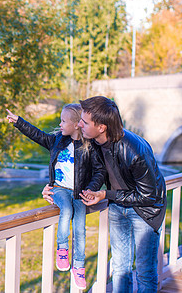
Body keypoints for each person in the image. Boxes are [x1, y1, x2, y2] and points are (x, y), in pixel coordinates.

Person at [44, 96, 166, 292]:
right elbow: (76, 169)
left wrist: (105, 195)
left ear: (101, 127)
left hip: (145, 211)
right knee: (120, 268)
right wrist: (52, 186)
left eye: (84, 122)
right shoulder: (93, 143)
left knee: (144, 272)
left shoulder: (135, 151)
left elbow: (148, 196)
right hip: (118, 206)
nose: (80, 124)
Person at [6, 104, 105, 290]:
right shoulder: (58, 141)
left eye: (63, 121)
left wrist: (91, 189)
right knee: (66, 211)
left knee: (80, 228)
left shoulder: (89, 147)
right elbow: (38, 135)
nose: (60, 124)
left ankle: (79, 266)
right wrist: (19, 122)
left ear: (77, 125)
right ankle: (62, 250)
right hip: (59, 189)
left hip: (79, 193)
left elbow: (100, 171)